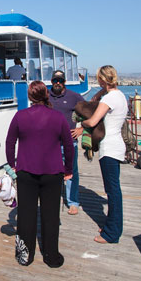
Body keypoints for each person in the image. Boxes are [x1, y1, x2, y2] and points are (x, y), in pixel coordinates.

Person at [6, 81, 74, 267]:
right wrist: (68, 170)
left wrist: (12, 165)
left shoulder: (20, 116)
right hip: (53, 172)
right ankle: (51, 256)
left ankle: (24, 256)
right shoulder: (58, 117)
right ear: (47, 94)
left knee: (26, 215)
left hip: (26, 171)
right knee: (51, 215)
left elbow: (9, 142)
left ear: (29, 96)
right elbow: (69, 147)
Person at [81, 65, 128, 244]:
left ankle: (112, 233)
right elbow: (95, 100)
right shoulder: (119, 96)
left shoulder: (109, 98)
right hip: (116, 145)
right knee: (113, 190)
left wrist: (79, 123)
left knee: (112, 191)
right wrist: (101, 92)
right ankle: (111, 225)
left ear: (102, 79)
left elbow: (93, 120)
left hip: (109, 148)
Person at [48, 69, 84, 215]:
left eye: (60, 81)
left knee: (72, 171)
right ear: (51, 81)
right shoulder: (45, 97)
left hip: (69, 142)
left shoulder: (74, 97)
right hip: (50, 143)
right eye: (55, 80)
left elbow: (90, 113)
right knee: (50, 172)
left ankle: (73, 202)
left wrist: (82, 129)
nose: (58, 83)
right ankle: (51, 199)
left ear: (65, 82)